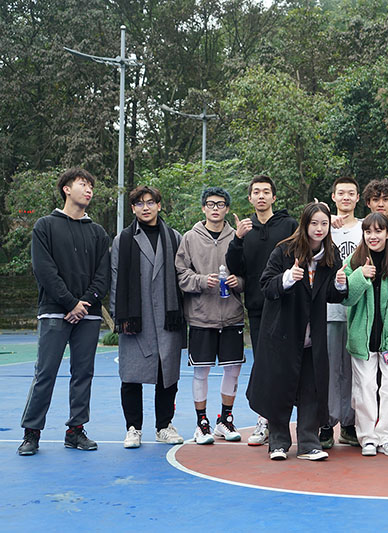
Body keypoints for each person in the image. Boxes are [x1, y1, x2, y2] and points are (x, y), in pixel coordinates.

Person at [18, 168, 111, 456]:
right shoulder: (45, 226)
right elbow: (44, 270)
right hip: (54, 312)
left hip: (88, 315)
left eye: (91, 186)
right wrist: (70, 303)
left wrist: (84, 303)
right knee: (45, 373)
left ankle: (75, 430)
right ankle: (31, 432)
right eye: (83, 184)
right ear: (66, 189)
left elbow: (103, 276)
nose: (89, 190)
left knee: (83, 374)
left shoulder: (98, 232)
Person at [251, 202, 348, 461]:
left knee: (312, 389)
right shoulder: (284, 251)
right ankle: (278, 442)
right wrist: (287, 278)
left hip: (312, 337)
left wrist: (340, 285)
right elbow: (266, 286)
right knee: (279, 387)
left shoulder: (330, 255)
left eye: (324, 224)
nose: (319, 229)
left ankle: (308, 443)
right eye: (314, 223)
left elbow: (332, 295)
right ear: (304, 225)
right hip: (283, 333)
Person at [111, 186, 186, 449]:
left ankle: (164, 426)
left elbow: (182, 276)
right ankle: (133, 428)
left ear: (159, 205)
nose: (146, 207)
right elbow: (115, 278)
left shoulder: (174, 237)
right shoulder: (123, 239)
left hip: (168, 316)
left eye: (150, 202)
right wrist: (119, 318)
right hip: (135, 317)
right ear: (133, 208)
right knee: (131, 375)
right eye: (140, 203)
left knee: (167, 375)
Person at [227, 175, 298, 446]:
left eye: (266, 192)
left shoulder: (289, 226)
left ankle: (299, 423)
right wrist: (237, 239)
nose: (261, 196)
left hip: (289, 306)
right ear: (250, 198)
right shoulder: (245, 230)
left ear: (274, 197)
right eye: (256, 192)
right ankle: (265, 420)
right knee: (264, 368)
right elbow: (235, 267)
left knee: (291, 367)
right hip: (259, 309)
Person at [342, 213, 388, 456]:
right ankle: (368, 438)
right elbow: (346, 298)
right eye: (368, 231)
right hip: (362, 339)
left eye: (378, 231)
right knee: (364, 388)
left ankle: (387, 437)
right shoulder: (355, 260)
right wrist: (360, 276)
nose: (373, 236)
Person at [176, 187, 246, 445]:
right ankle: (201, 423)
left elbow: (251, 274)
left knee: (233, 370)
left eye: (220, 204)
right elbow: (181, 274)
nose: (215, 208)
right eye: (210, 204)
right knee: (201, 372)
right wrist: (202, 281)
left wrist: (239, 282)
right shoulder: (190, 238)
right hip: (201, 316)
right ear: (203, 208)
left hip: (232, 315)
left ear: (227, 208)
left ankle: (225, 419)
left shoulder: (238, 237)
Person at [318, 177, 361, 449]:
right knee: (329, 370)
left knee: (355, 372)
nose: (346, 197)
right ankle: (326, 423)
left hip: (359, 311)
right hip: (329, 311)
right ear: (333, 197)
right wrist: (325, 222)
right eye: (341, 193)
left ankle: (349, 424)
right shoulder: (323, 228)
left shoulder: (366, 228)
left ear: (358, 198)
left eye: (351, 193)